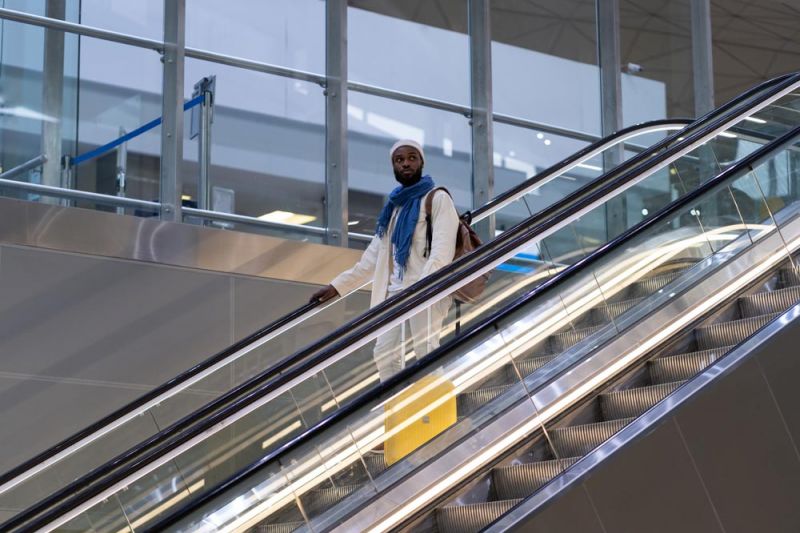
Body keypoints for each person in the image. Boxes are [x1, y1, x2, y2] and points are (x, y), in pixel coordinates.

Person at [310, 139, 460, 382]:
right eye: (399, 160)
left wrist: (422, 290)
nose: (406, 164)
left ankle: (437, 412)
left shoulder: (437, 198)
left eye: (412, 158)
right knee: (384, 353)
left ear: (422, 161)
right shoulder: (394, 209)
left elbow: (442, 252)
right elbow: (371, 260)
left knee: (425, 350)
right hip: (395, 292)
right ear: (393, 167)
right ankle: (395, 409)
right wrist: (336, 287)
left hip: (426, 289)